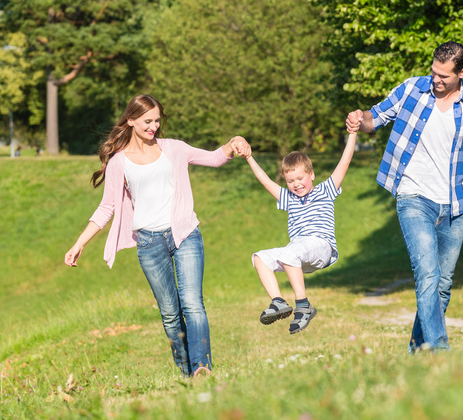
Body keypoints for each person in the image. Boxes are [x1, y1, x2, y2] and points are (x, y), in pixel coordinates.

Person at [346, 41, 463, 353]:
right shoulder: (412, 89)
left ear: (462, 72)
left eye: (444, 77)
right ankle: (438, 351)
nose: (435, 80)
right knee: (427, 274)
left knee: (442, 286)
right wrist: (360, 119)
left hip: (455, 205)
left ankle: (416, 351)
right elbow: (376, 117)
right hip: (413, 196)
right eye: (433, 72)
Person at [64, 94, 248, 377]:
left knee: (193, 304)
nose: (153, 126)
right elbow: (107, 207)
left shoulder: (174, 149)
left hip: (185, 235)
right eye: (147, 121)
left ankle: (202, 369)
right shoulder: (119, 163)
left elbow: (213, 158)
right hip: (150, 244)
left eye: (157, 120)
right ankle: (187, 373)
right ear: (131, 121)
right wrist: (79, 243)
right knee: (171, 315)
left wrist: (233, 142)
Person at [234, 131, 357, 334]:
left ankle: (303, 304)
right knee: (259, 258)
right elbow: (265, 181)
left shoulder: (326, 190)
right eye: (290, 181)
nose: (296, 184)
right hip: (300, 254)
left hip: (321, 246)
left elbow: (344, 162)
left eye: (300, 178)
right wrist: (249, 157)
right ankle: (278, 302)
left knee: (291, 251)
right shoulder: (288, 198)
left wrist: (352, 134)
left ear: (312, 175)